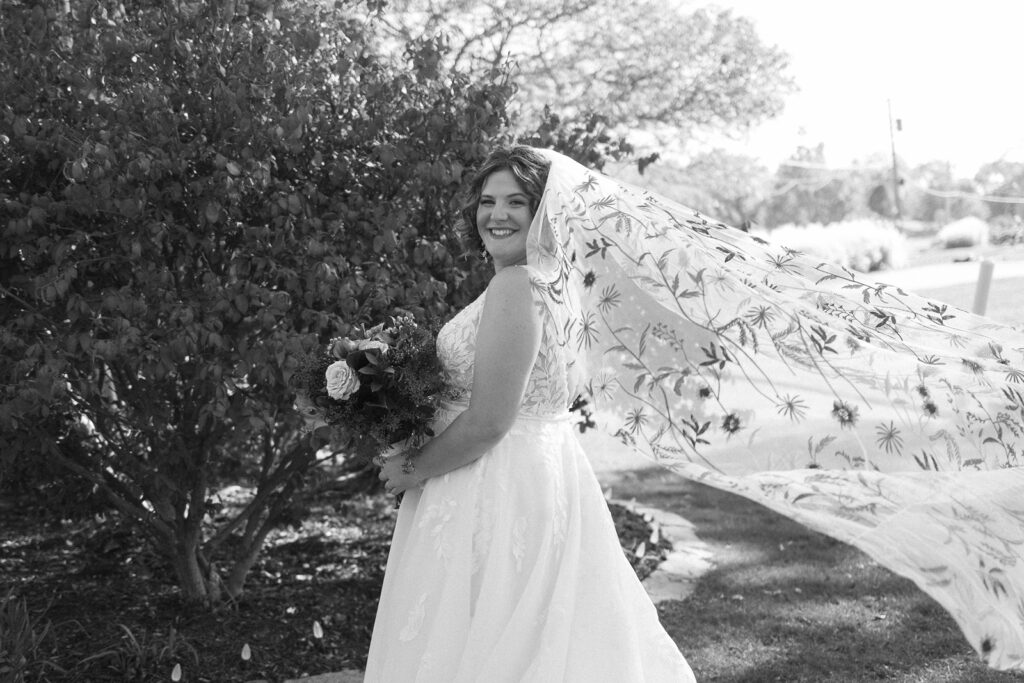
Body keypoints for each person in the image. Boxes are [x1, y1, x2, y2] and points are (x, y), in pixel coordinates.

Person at [366, 147, 696, 681]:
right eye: (488, 201)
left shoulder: (516, 286)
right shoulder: (551, 282)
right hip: (532, 475)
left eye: (517, 201)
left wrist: (409, 468)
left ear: (544, 212)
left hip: (492, 485)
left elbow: (491, 421)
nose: (497, 214)